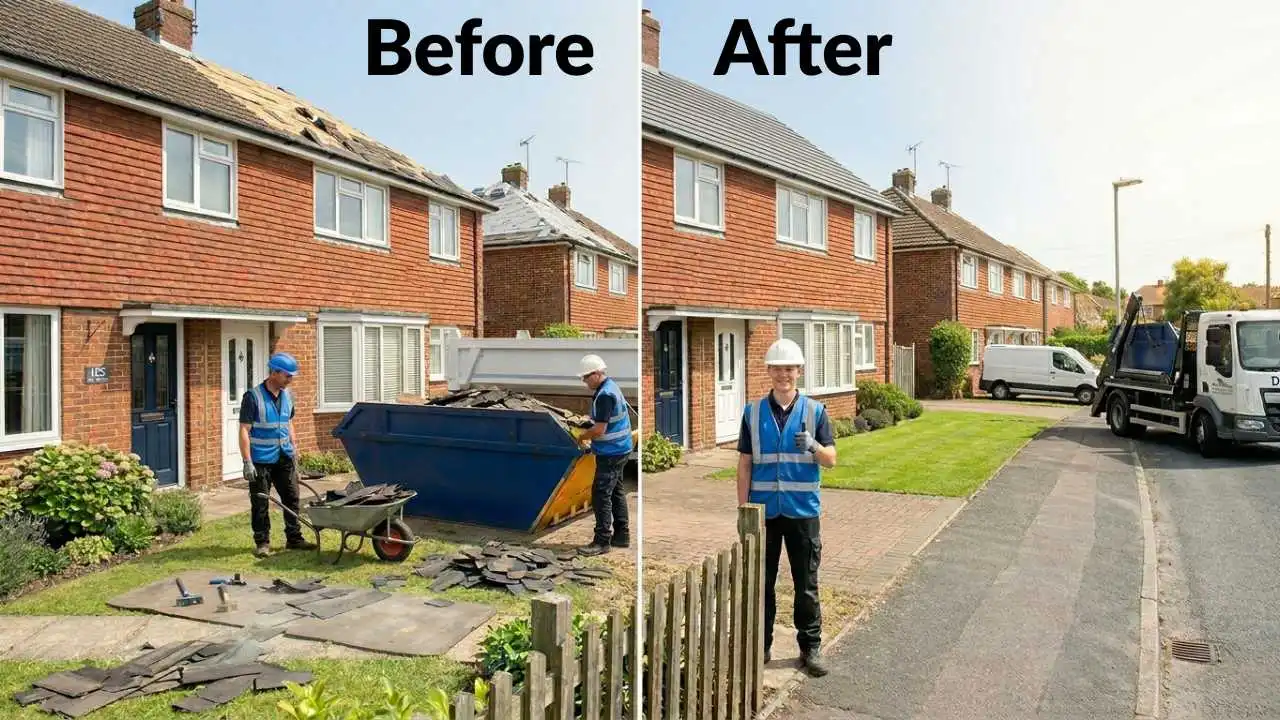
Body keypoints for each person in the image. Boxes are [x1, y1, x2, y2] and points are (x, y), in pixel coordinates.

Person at [736, 338, 837, 677]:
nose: (784, 374)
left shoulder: (816, 411)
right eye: (778, 368)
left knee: (805, 584)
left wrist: (813, 445)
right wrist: (743, 510)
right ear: (768, 372)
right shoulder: (752, 412)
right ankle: (760, 646)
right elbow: (745, 464)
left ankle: (810, 649)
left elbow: (832, 460)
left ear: (799, 371)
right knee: (761, 583)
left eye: (789, 369)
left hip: (803, 512)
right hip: (764, 513)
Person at [240, 351, 316, 558]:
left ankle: (294, 538)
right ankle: (262, 542)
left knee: (292, 497)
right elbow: (244, 430)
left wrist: (295, 453)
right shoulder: (252, 397)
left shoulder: (288, 396)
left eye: (292, 376)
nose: (290, 380)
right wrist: (247, 462)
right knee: (260, 502)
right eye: (287, 375)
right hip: (261, 460)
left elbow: (289, 423)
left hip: (284, 456)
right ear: (274, 372)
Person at [575, 353, 633, 556]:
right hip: (621, 448)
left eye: (586, 377)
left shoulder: (605, 395)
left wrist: (583, 436)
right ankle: (621, 536)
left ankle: (602, 541)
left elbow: (600, 430)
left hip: (611, 452)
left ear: (597, 373)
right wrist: (589, 419)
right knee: (616, 492)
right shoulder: (610, 387)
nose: (584, 382)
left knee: (601, 495)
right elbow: (604, 418)